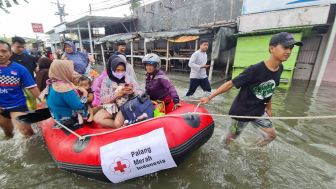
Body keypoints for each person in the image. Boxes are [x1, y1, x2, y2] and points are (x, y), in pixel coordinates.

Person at [200, 32, 303, 147]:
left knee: (271, 136)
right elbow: (230, 83)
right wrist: (209, 97)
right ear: (272, 48)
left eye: (291, 48)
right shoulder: (254, 70)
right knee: (229, 141)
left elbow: (269, 90)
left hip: (259, 112)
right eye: (285, 47)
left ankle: (249, 149)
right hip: (241, 114)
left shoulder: (280, 68)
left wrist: (269, 108)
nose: (289, 51)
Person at [0, 40, 40, 138]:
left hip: (17, 105)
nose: (0, 54)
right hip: (1, 108)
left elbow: (33, 88)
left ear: (10, 53)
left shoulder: (20, 69)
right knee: (8, 133)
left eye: (4, 51)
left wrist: (44, 102)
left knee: (27, 132)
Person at [93, 56, 140, 128]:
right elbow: (102, 98)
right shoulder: (107, 81)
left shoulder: (129, 79)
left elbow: (140, 92)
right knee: (97, 118)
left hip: (126, 106)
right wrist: (116, 95)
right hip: (112, 106)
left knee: (117, 123)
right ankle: (122, 127)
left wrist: (133, 92)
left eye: (122, 70)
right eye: (118, 70)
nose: (120, 72)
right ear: (112, 69)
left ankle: (120, 125)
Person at [45, 60, 88, 128]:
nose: (72, 72)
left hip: (57, 116)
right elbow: (78, 107)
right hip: (68, 120)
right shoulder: (64, 88)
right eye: (70, 70)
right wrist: (85, 94)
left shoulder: (52, 83)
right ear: (64, 71)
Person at [10, 37, 38, 110]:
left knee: (34, 105)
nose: (21, 49)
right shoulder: (7, 58)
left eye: (23, 47)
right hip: (14, 87)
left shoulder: (30, 57)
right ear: (12, 45)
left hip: (29, 86)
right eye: (18, 47)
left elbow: (36, 70)